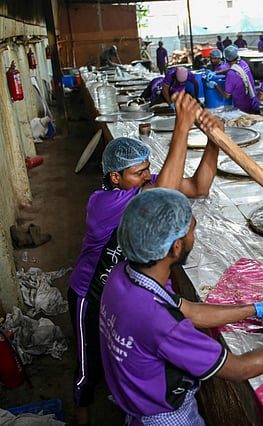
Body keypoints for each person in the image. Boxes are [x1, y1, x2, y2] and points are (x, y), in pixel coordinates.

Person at [99, 188, 263, 425]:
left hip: (134, 400)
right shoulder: (162, 323)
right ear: (176, 247)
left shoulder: (123, 276)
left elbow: (188, 309)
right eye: (191, 230)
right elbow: (239, 369)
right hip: (165, 417)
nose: (193, 238)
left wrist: (256, 308)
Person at [67, 92, 223, 425]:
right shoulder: (103, 204)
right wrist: (182, 127)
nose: (148, 175)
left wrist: (214, 143)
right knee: (87, 360)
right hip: (89, 292)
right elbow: (165, 196)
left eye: (149, 169)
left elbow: (198, 186)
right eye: (140, 172)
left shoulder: (142, 187)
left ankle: (122, 404)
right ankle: (82, 413)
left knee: (117, 353)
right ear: (115, 178)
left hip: (121, 288)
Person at [211, 46, 260, 114]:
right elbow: (234, 68)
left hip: (243, 108)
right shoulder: (243, 63)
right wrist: (217, 72)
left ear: (226, 58)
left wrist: (215, 85)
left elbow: (227, 96)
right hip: (253, 101)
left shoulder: (231, 74)